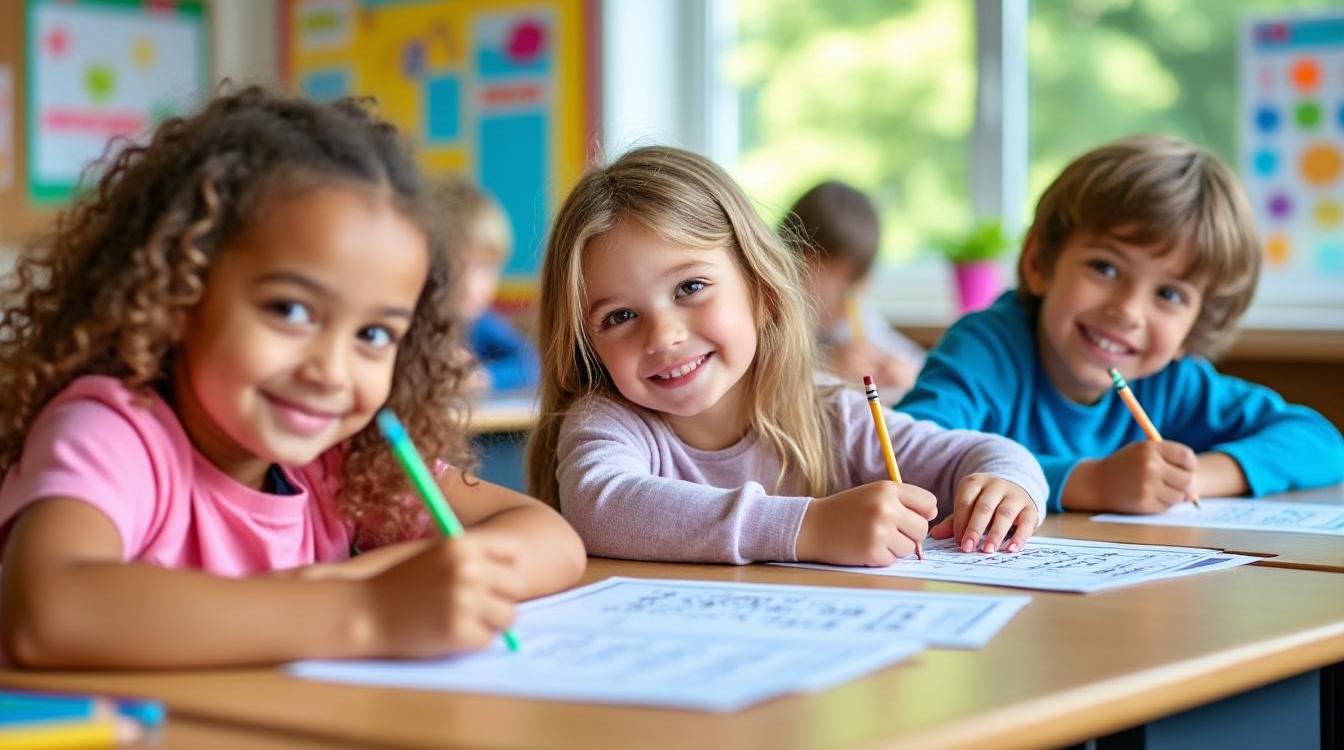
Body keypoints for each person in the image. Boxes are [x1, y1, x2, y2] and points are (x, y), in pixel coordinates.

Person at [0, 87, 585, 669]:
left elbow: (550, 540)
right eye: (290, 310)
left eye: (373, 334)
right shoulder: (117, 432)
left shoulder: (342, 462)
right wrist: (368, 610)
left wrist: (383, 581)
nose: (331, 371)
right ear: (178, 294)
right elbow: (48, 611)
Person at [527, 146, 1046, 565]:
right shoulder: (606, 421)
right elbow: (601, 506)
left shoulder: (832, 416)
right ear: (587, 344)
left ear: (762, 289)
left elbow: (990, 454)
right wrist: (809, 527)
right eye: (619, 316)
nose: (663, 336)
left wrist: (1008, 486)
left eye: (690, 287)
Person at [897, 135, 1344, 514]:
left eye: (1169, 295)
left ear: (1193, 330)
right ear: (1039, 264)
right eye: (1105, 268)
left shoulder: (1173, 383)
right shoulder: (986, 349)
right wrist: (1091, 483)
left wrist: (1190, 478)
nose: (1128, 311)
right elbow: (904, 459)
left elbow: (1321, 443)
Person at [782, 181, 925, 398]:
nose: (848, 300)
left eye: (856, 287)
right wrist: (824, 365)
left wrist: (908, 375)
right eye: (840, 285)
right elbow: (768, 374)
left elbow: (909, 359)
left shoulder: (852, 319)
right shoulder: (770, 315)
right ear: (799, 262)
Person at [432, 177, 539, 392]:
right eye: (454, 266)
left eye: (484, 267)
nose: (470, 284)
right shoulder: (407, 323)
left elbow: (530, 364)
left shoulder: (482, 324)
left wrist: (482, 377)